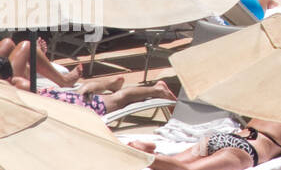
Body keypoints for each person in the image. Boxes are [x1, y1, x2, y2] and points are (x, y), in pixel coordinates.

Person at [127, 120, 281, 170]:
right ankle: (143, 155)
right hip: (244, 151)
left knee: (169, 169)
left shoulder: (267, 107)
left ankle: (150, 151)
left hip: (220, 138)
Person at [0, 56, 174, 116]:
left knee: (119, 98)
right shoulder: (14, 85)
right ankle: (107, 84)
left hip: (70, 108)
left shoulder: (13, 88)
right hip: (61, 100)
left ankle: (157, 89)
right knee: (85, 91)